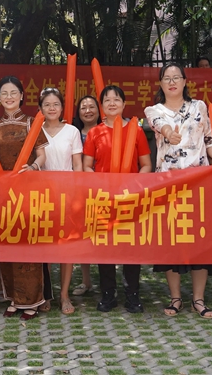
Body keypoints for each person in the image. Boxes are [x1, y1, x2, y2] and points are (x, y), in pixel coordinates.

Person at [144, 65, 212, 319]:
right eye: (167, 78)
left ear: (185, 81)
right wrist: (169, 134)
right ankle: (175, 298)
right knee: (171, 240)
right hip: (168, 184)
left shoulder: (199, 107)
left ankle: (198, 299)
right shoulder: (154, 110)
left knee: (200, 239)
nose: (172, 81)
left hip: (199, 183)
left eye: (176, 77)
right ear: (161, 84)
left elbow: (209, 140)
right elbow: (160, 125)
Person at [83, 85, 152, 314]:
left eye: (116, 99)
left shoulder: (136, 131)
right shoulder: (95, 132)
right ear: (102, 106)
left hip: (130, 198)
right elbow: (87, 166)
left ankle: (132, 294)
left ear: (123, 104)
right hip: (103, 198)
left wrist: (133, 184)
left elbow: (146, 165)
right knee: (105, 247)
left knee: (131, 247)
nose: (112, 103)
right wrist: (100, 183)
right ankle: (108, 294)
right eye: (107, 100)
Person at [0, 76, 50, 320]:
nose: (9, 97)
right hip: (3, 194)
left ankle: (32, 300)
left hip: (28, 191)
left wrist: (33, 167)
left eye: (13, 92)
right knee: (7, 244)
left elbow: (42, 154)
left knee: (28, 245)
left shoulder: (32, 122)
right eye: (4, 93)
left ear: (22, 96)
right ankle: (14, 298)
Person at [38, 88, 84, 315]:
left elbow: (77, 165)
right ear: (41, 108)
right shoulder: (35, 131)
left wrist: (78, 195)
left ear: (62, 107)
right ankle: (46, 294)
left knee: (67, 247)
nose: (52, 108)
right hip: (42, 196)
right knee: (45, 248)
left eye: (55, 104)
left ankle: (64, 295)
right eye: (47, 104)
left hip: (68, 195)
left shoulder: (72, 131)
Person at [70, 95, 101, 297]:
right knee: (83, 236)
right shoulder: (73, 133)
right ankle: (86, 280)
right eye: (83, 107)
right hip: (80, 192)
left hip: (104, 190)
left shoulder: (107, 131)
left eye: (91, 106)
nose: (88, 110)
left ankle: (108, 281)